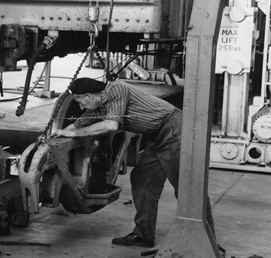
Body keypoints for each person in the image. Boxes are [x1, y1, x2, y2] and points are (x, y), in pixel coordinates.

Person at [51, 77, 215, 249]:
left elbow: (111, 125)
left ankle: (207, 243)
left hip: (174, 130)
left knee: (187, 188)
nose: (80, 107)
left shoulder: (117, 89)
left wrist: (76, 134)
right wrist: (59, 134)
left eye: (80, 101)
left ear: (89, 96)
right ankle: (144, 235)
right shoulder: (98, 108)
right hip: (157, 136)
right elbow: (77, 125)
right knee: (142, 180)